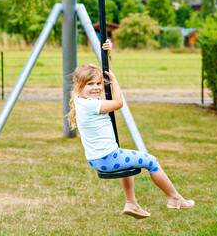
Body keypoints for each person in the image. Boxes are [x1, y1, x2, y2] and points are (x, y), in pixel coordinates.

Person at [67, 40, 194, 219]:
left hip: (98, 158)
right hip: (107, 158)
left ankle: (131, 203)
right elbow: (118, 103)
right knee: (152, 161)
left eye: (98, 83)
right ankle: (175, 198)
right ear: (78, 85)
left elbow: (107, 76)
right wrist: (115, 79)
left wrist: (107, 57)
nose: (96, 87)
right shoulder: (90, 105)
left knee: (127, 161)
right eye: (90, 84)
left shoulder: (83, 101)